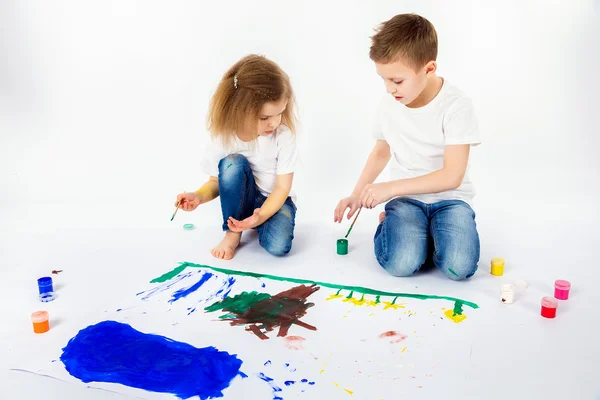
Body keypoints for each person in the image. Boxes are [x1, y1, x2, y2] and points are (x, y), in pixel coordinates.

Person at [334, 14, 481, 280]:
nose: (390, 89)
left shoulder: (456, 106)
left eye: (397, 81)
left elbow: (452, 176)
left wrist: (390, 188)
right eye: (384, 79)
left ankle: (423, 236)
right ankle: (396, 229)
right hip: (407, 202)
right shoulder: (390, 103)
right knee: (401, 263)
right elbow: (381, 152)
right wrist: (356, 194)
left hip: (451, 201)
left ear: (429, 68)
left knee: (459, 267)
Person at [175, 54, 299, 260]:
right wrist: (198, 196)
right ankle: (233, 233)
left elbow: (282, 188)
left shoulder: (283, 136)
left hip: (274, 199)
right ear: (240, 111)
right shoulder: (224, 137)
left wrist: (261, 217)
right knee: (232, 163)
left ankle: (254, 223)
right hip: (242, 199)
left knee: (279, 247)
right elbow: (216, 181)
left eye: (280, 113)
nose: (274, 123)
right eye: (265, 117)